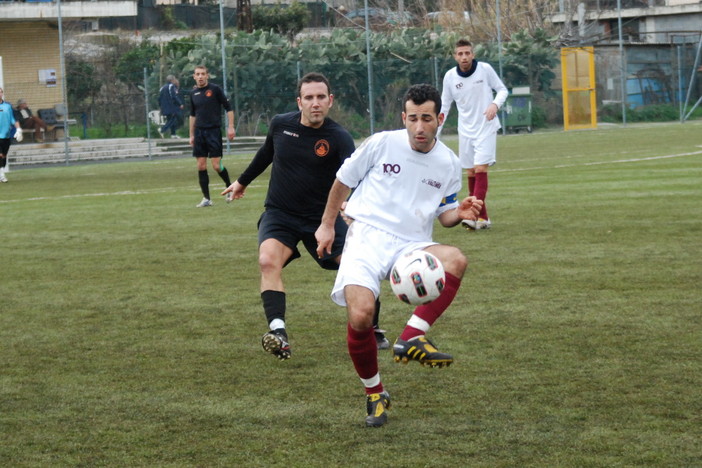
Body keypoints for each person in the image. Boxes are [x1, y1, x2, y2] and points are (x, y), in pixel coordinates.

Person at [315, 83, 483, 427]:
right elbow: (342, 181)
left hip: (411, 244)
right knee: (361, 316)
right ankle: (374, 394)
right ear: (403, 118)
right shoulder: (382, 143)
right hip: (366, 237)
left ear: (440, 119)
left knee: (457, 260)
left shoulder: (448, 163)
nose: (419, 127)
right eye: (413, 119)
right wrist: (327, 225)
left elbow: (444, 215)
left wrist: (460, 212)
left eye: (427, 119)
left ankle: (411, 338)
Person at [222, 72, 389, 361]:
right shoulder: (280, 125)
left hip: (321, 219)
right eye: (309, 98)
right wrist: (242, 181)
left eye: (321, 97)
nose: (315, 103)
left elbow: (357, 179)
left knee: (359, 265)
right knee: (267, 261)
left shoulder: (338, 138)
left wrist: (352, 211)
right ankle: (278, 332)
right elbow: (266, 153)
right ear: (299, 101)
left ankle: (371, 327)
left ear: (330, 101)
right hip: (280, 213)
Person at [439, 39, 508, 230]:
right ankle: (483, 218)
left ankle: (472, 214)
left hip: (486, 126)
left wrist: (495, 104)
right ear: (455, 56)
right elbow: (445, 105)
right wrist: (436, 130)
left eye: (467, 53)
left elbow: (502, 90)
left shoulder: (484, 70)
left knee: (480, 169)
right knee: (470, 172)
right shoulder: (450, 77)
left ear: (473, 54)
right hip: (465, 130)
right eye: (460, 54)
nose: (464, 57)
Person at [189, 65, 235, 208]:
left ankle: (230, 187)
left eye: (203, 74)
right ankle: (206, 198)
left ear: (207, 76)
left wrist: (231, 127)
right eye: (198, 74)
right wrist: (191, 135)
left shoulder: (215, 90)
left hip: (213, 132)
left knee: (216, 165)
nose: (201, 76)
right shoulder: (193, 93)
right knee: (201, 165)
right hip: (199, 133)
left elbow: (229, 108)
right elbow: (192, 115)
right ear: (194, 76)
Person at [0, 88, 23, 182]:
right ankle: (1, 175)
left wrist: (18, 129)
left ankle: (1, 172)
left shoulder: (8, 106)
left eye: (0, 92)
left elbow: (13, 119)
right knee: (0, 155)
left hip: (6, 135)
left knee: (4, 155)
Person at [158, 74, 184, 139]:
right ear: (172, 80)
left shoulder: (162, 88)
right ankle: (162, 130)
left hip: (164, 107)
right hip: (171, 107)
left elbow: (159, 98)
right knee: (172, 119)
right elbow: (174, 96)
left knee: (171, 119)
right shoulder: (171, 86)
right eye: (174, 79)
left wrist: (161, 106)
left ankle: (173, 134)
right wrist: (180, 103)